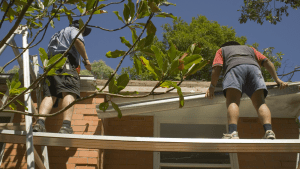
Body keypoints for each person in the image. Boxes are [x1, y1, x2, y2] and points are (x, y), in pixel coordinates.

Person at [205, 41, 288, 139]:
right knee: (260, 103)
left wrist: (212, 87)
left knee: (233, 101)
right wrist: (277, 79)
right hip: (254, 69)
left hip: (234, 69)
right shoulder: (250, 49)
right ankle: (269, 131)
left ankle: (233, 132)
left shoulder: (222, 50)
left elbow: (217, 67)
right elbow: (267, 62)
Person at [33, 20, 92, 134]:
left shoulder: (57, 34)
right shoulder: (74, 30)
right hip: (65, 63)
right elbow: (77, 41)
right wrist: (86, 61)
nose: (83, 33)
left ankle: (40, 123)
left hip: (51, 65)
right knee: (69, 91)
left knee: (50, 94)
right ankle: (66, 126)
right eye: (83, 30)